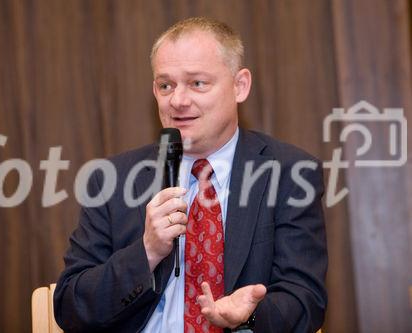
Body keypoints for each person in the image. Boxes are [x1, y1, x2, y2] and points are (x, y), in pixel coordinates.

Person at [54, 17, 327, 333]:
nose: (178, 101)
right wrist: (147, 252)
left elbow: (306, 302)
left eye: (197, 83)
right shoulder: (112, 179)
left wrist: (249, 315)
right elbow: (70, 306)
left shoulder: (290, 173)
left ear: (240, 86)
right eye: (165, 85)